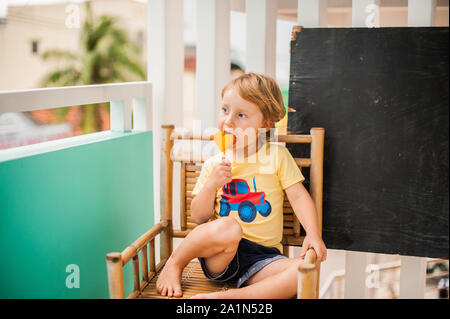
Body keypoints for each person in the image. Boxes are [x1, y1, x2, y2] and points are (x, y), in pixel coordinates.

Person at [156, 72, 327, 299]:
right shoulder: (214, 163)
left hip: (264, 259)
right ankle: (175, 263)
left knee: (305, 271)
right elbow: (198, 217)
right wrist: (211, 185)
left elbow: (298, 197)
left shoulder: (276, 156)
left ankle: (228, 298)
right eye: (225, 110)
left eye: (241, 115)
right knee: (230, 227)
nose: (228, 121)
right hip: (221, 254)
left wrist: (313, 234)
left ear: (265, 123)